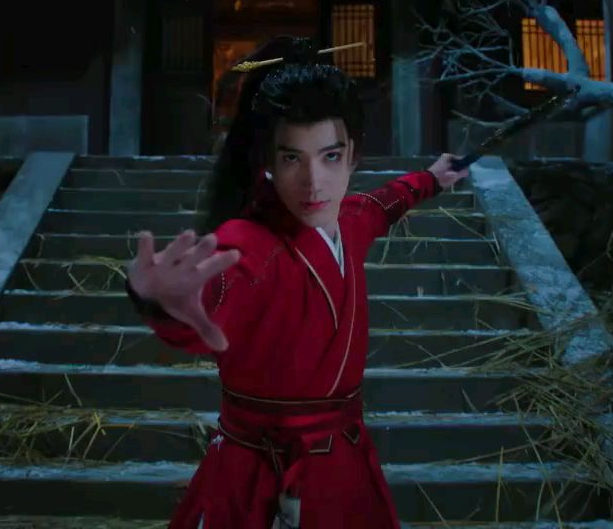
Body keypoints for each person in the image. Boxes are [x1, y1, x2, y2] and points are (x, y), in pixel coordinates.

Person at [126, 36, 470, 529]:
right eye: (292, 158)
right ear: (267, 161)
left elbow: (386, 202)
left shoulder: (350, 219)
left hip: (342, 460)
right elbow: (217, 293)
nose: (313, 183)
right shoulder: (247, 243)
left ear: (353, 155)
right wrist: (166, 304)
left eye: (329, 157)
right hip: (259, 471)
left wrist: (433, 179)